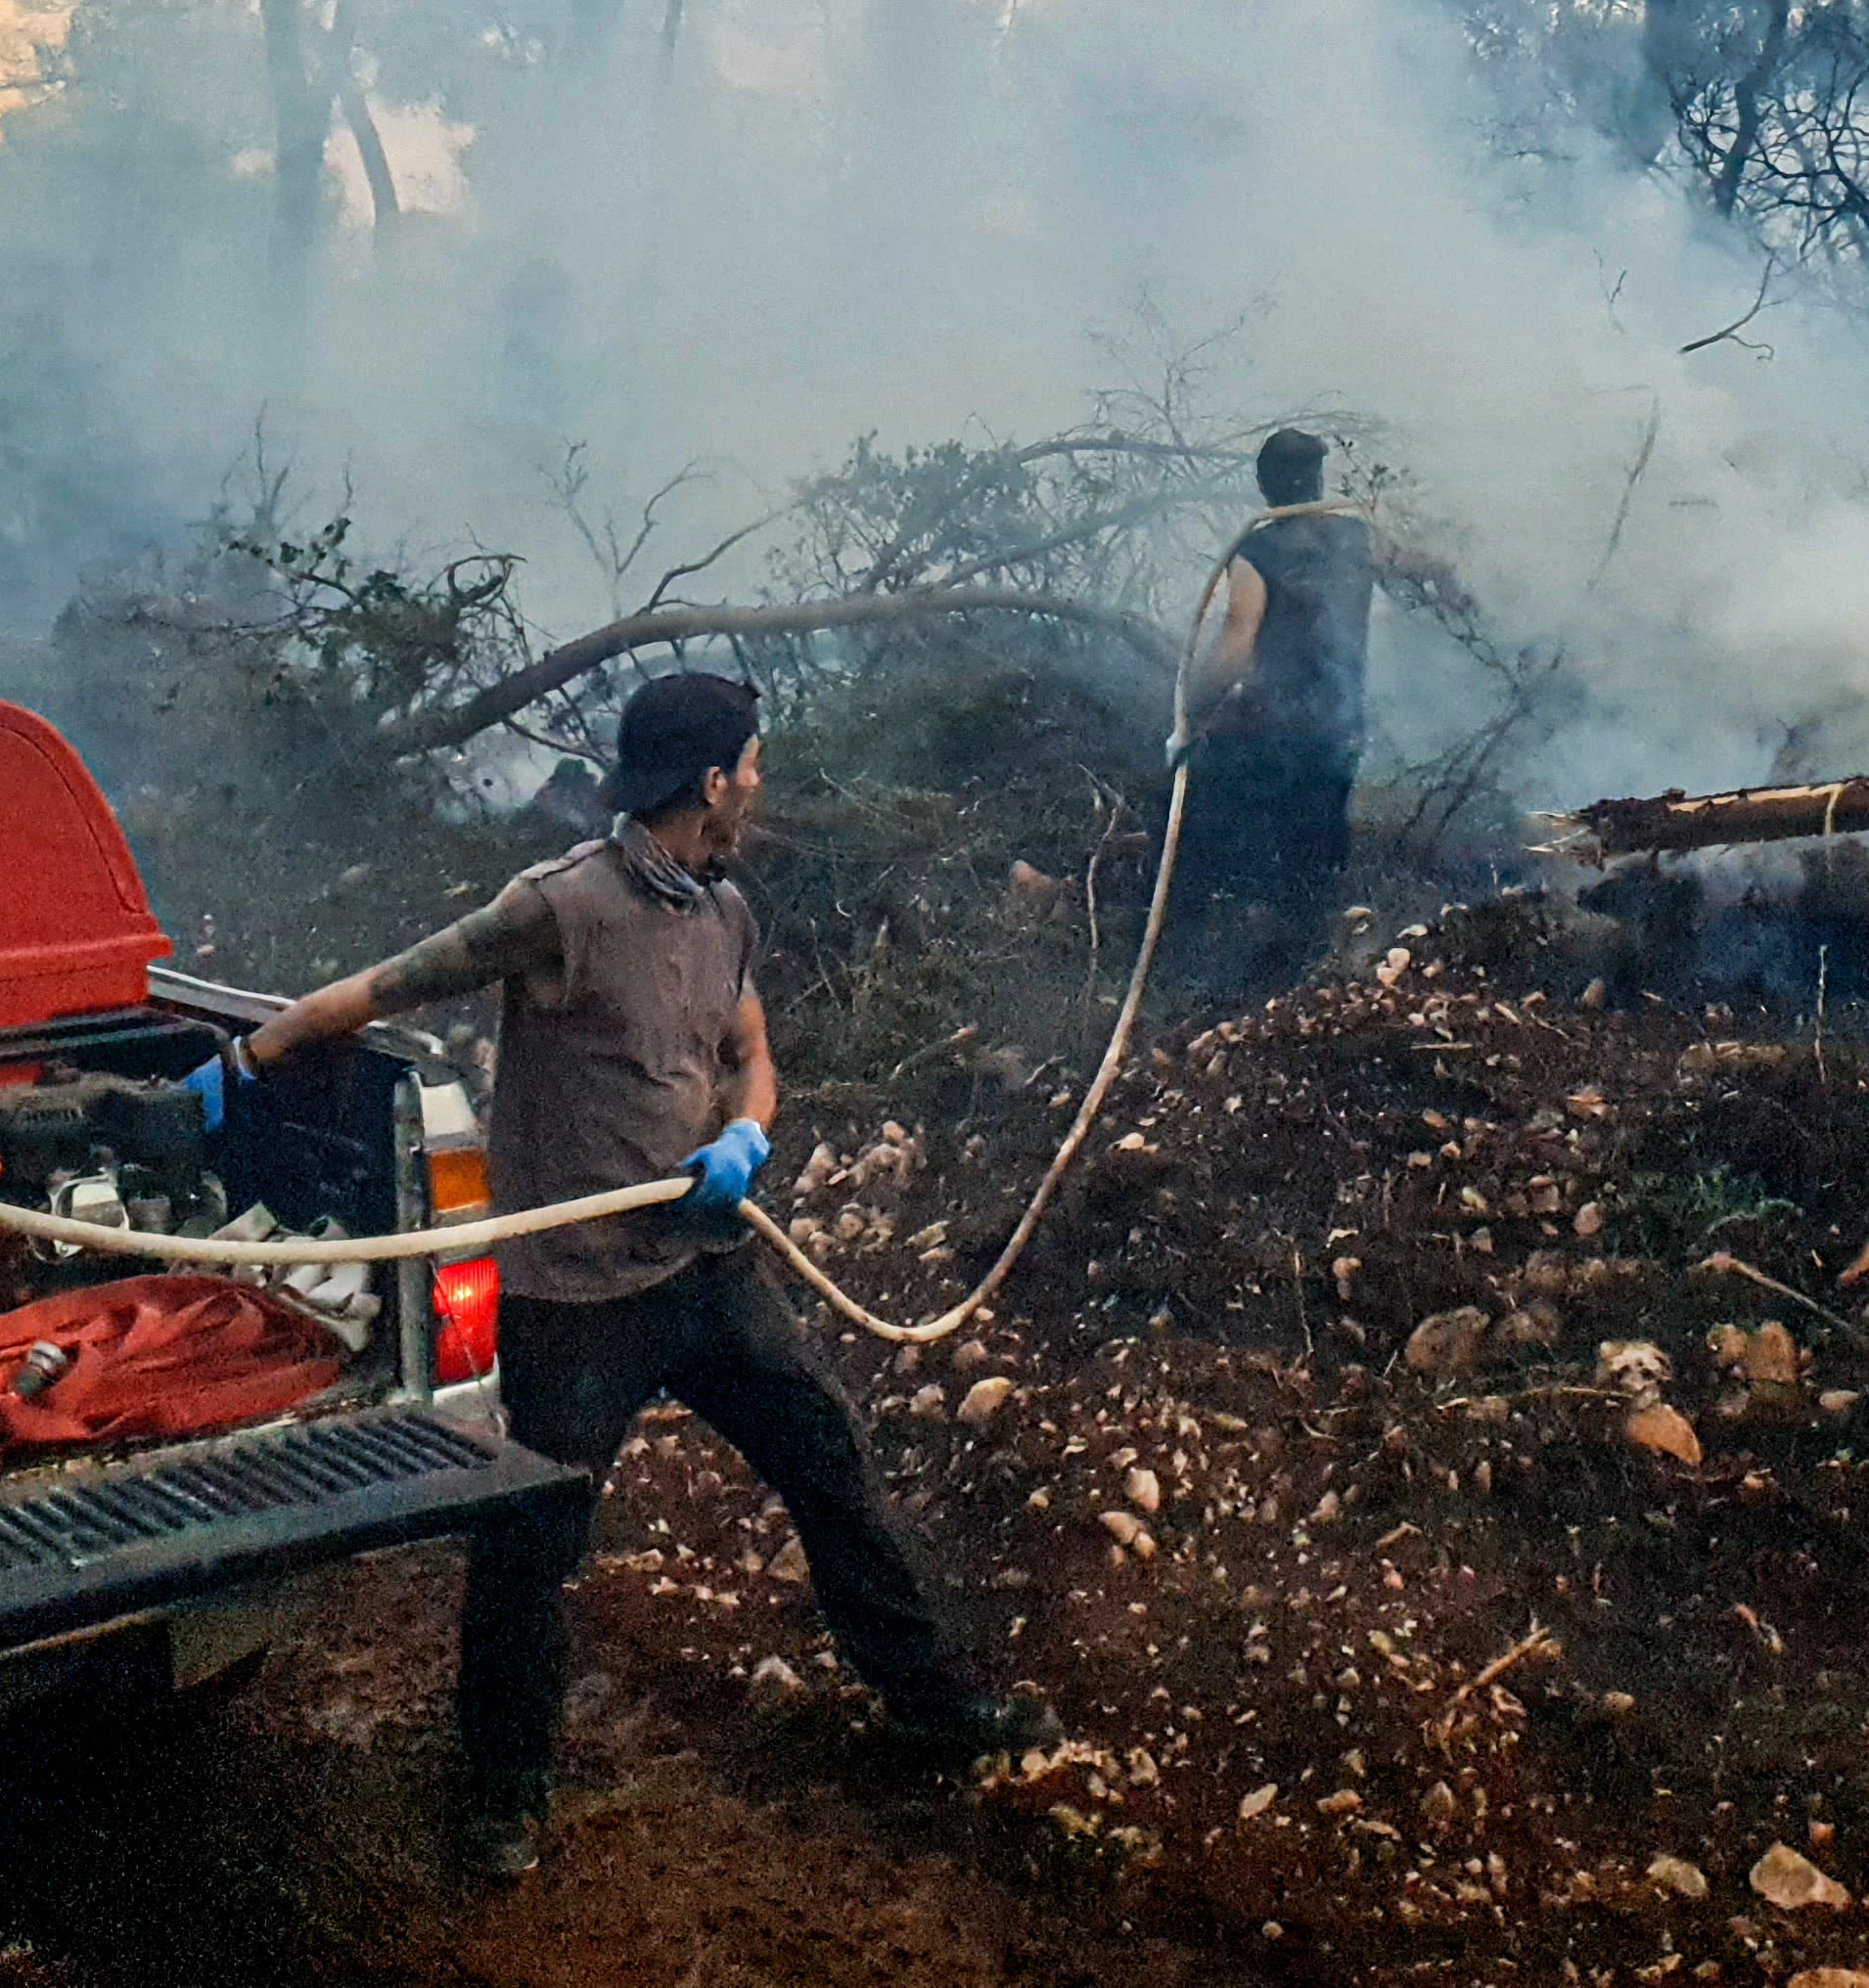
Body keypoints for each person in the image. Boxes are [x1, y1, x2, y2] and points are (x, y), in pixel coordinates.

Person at [228, 670, 1051, 1884]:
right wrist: (252, 1055)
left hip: (700, 1270)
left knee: (827, 1456)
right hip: (573, 1297)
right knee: (534, 1547)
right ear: (709, 781)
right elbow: (393, 985)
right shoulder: (562, 906)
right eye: (752, 764)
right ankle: (501, 1797)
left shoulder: (722, 914)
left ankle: (937, 1705)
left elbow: (751, 1052)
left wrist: (747, 1135)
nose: (762, 784)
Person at [1169, 428, 1377, 1009]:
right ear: (1316, 478)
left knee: (1207, 846)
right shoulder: (1359, 539)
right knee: (1313, 869)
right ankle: (1304, 988)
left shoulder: (1257, 554)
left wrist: (1189, 710)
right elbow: (1423, 568)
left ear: (1265, 487)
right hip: (1338, 734)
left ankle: (1210, 982)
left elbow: (1236, 647)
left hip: (1269, 735)